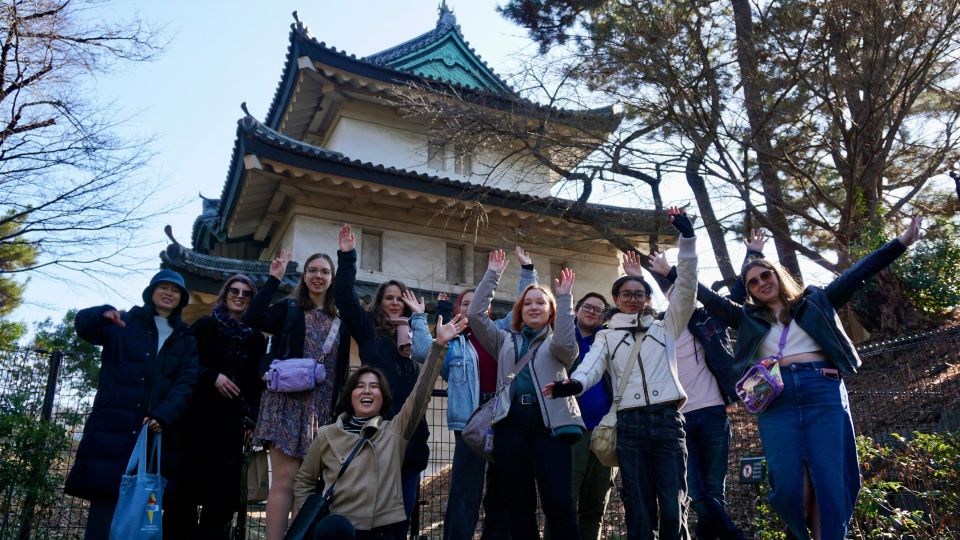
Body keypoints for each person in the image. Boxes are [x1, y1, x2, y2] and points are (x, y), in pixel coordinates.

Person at [693, 217, 922, 540]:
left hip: (822, 391)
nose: (761, 283)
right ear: (750, 292)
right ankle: (797, 530)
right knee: (789, 488)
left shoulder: (815, 301)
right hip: (776, 400)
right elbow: (702, 294)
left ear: (777, 274)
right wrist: (670, 270)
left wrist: (901, 242)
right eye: (753, 282)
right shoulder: (745, 318)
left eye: (765, 275)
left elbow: (859, 273)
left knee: (828, 482)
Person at [546, 207, 698, 540]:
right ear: (616, 298)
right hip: (628, 424)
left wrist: (687, 241)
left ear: (647, 299)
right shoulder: (606, 334)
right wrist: (574, 385)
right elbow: (590, 366)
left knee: (674, 505)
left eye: (639, 294)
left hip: (667, 421)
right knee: (638, 508)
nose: (632, 298)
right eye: (626, 294)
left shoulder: (666, 326)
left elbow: (686, 290)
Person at [293, 313, 469, 540]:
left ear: (382, 396)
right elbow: (304, 480)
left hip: (383, 531)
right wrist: (313, 517)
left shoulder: (394, 431)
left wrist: (438, 346)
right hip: (339, 530)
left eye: (374, 386)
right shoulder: (327, 435)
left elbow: (421, 394)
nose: (367, 390)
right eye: (360, 386)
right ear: (350, 394)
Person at [646, 231, 769, 540]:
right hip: (679, 418)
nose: (681, 298)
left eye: (684, 292)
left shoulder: (708, 319)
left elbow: (738, 295)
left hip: (714, 412)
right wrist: (639, 274)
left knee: (714, 490)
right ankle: (732, 535)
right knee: (698, 490)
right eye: (674, 293)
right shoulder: (658, 328)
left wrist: (752, 253)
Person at [66, 269, 199, 540]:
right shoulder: (124, 322)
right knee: (105, 506)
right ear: (150, 292)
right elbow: (83, 326)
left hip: (155, 433)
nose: (168, 293)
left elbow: (186, 383)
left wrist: (165, 414)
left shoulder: (186, 339)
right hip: (112, 428)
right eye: (162, 287)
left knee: (143, 512)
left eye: (175, 290)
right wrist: (101, 311)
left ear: (182, 299)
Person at [468, 249, 585, 540]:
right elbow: (474, 314)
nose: (533, 307)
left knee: (557, 500)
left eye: (540, 303)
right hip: (511, 424)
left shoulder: (558, 343)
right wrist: (492, 274)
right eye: (527, 303)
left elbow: (567, 342)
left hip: (551, 426)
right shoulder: (504, 339)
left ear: (550, 310)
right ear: (519, 311)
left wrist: (565, 297)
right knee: (518, 503)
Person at [243, 250, 351, 540]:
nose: (318, 276)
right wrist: (273, 280)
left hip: (321, 408)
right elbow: (253, 317)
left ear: (332, 278)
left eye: (325, 271)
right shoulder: (289, 308)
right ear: (304, 276)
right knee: (284, 481)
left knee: (307, 483)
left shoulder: (341, 317)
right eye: (312, 270)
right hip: (286, 404)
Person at [334, 224, 433, 531]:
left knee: (402, 515)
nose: (394, 302)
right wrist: (348, 257)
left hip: (410, 436)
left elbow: (432, 355)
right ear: (380, 301)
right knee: (370, 514)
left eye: (399, 298)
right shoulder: (368, 331)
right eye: (389, 298)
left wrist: (420, 318)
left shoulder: (415, 337)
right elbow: (345, 299)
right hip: (376, 432)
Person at [438, 246, 537, 540]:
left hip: (502, 413)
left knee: (503, 485)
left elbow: (524, 304)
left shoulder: (500, 330)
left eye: (475, 302)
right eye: (464, 303)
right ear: (457, 310)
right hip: (470, 417)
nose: (469, 308)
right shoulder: (454, 343)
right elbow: (435, 365)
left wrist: (527, 271)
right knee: (465, 488)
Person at [168, 274, 267, 539]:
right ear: (225, 294)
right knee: (185, 490)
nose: (240, 296)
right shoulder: (204, 326)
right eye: (234, 290)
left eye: (247, 293)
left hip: (234, 423)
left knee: (222, 495)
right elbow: (186, 365)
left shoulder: (257, 339)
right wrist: (213, 376)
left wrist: (253, 420)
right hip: (198, 417)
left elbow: (257, 386)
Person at [544, 292, 615, 540]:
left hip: (604, 431)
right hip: (570, 430)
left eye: (599, 309)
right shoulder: (561, 338)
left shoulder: (607, 341)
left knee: (596, 501)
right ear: (578, 309)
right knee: (564, 499)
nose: (592, 312)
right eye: (588, 306)